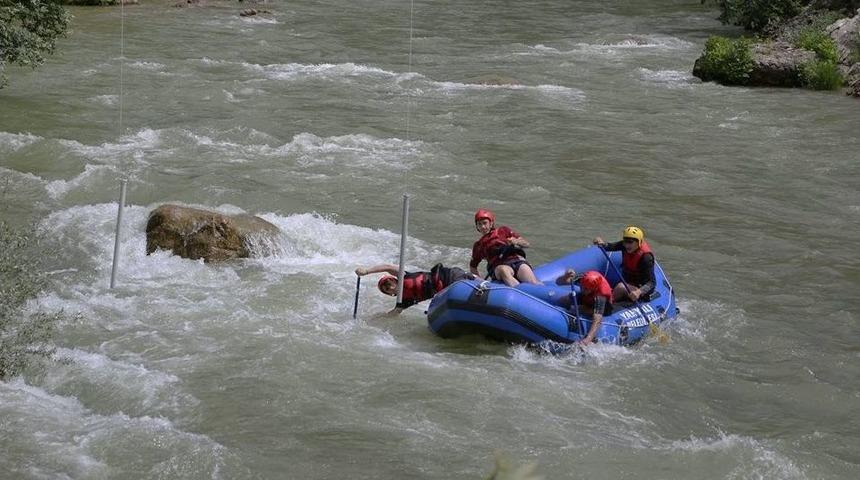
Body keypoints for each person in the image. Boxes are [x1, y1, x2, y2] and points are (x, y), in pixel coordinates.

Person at [355, 263, 475, 316]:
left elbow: (387, 267)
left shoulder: (404, 276)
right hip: (448, 292)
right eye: (386, 288)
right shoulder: (403, 302)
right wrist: (373, 319)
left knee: (476, 284)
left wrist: (366, 271)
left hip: (449, 276)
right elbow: (393, 314)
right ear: (390, 294)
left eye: (389, 282)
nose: (389, 286)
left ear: (394, 280)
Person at [469, 209, 540, 287]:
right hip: (498, 267)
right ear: (477, 227)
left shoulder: (503, 230)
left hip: (516, 261)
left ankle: (541, 290)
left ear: (491, 223)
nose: (482, 226)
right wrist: (481, 282)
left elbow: (526, 244)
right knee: (503, 270)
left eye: (485, 223)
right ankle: (519, 291)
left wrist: (516, 241)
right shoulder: (478, 245)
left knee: (530, 277)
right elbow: (473, 266)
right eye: (479, 224)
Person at [593, 225, 655, 303]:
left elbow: (652, 283)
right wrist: (601, 243)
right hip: (628, 281)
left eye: (630, 242)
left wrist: (639, 292)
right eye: (625, 241)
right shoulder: (624, 245)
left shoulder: (646, 258)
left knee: (620, 287)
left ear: (638, 242)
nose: (627, 245)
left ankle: (606, 305)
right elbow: (610, 246)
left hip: (640, 288)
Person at [555, 270, 613, 344]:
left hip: (606, 307)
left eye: (586, 289)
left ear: (593, 289)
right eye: (582, 287)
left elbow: (597, 318)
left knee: (580, 309)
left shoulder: (601, 295)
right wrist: (565, 276)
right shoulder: (582, 278)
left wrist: (588, 339)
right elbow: (558, 282)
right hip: (588, 296)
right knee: (564, 300)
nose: (582, 289)